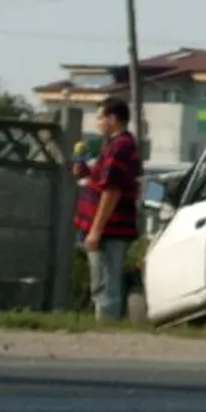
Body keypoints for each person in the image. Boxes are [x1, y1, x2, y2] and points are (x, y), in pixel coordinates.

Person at [71, 97, 142, 321]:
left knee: (104, 285)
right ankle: (104, 323)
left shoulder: (120, 148)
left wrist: (96, 230)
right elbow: (97, 179)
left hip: (110, 230)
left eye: (100, 117)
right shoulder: (112, 146)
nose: (98, 123)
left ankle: (106, 327)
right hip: (105, 228)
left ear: (112, 119)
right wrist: (80, 164)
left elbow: (112, 190)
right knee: (100, 282)